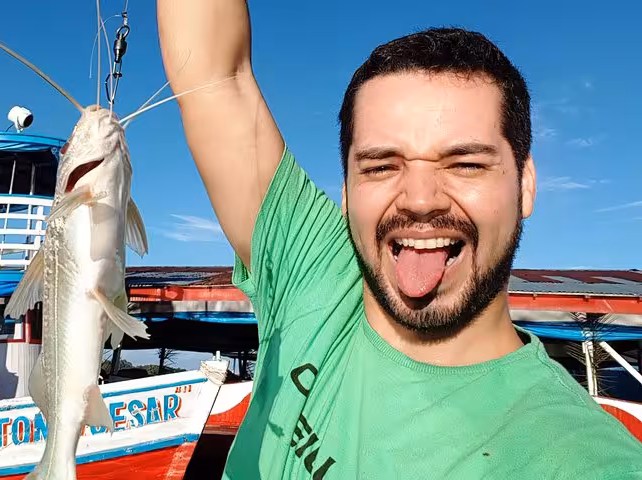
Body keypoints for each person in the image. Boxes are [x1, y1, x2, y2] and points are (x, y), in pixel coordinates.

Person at [156, 1, 642, 478]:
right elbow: (215, 78)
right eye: (382, 166)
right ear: (346, 193)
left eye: (466, 163)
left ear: (525, 183)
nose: (420, 199)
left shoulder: (579, 459)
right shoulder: (315, 272)